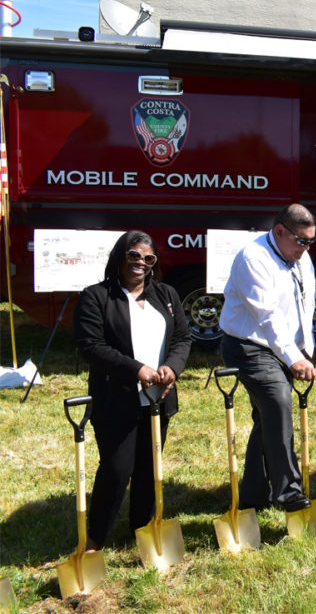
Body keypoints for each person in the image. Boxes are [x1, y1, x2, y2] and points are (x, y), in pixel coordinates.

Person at [74, 231, 191, 549]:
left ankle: (143, 529)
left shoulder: (166, 295)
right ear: (120, 256)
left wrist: (172, 367)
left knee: (150, 468)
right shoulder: (96, 297)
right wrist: (136, 369)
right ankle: (95, 538)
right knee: (116, 468)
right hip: (116, 398)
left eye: (148, 258)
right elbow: (90, 346)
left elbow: (182, 338)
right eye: (133, 256)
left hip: (158, 398)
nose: (141, 263)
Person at [220, 204, 316, 513]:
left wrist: (304, 348)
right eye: (301, 241)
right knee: (278, 400)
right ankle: (288, 492)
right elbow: (268, 317)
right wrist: (293, 358)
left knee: (268, 419)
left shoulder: (300, 256)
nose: (305, 248)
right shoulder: (253, 259)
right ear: (279, 232)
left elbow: (305, 303)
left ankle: (253, 494)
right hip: (248, 345)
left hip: (281, 347)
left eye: (310, 242)